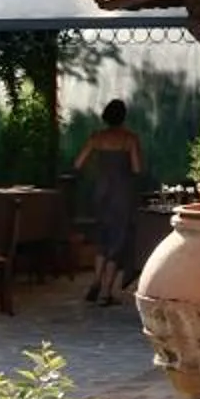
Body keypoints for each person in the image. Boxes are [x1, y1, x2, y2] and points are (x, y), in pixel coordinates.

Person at [74, 100, 146, 306]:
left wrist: (97, 172)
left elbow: (78, 163)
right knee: (118, 239)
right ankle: (106, 292)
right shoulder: (129, 139)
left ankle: (96, 281)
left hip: (101, 191)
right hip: (121, 192)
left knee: (102, 237)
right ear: (124, 116)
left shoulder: (96, 138)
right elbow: (137, 168)